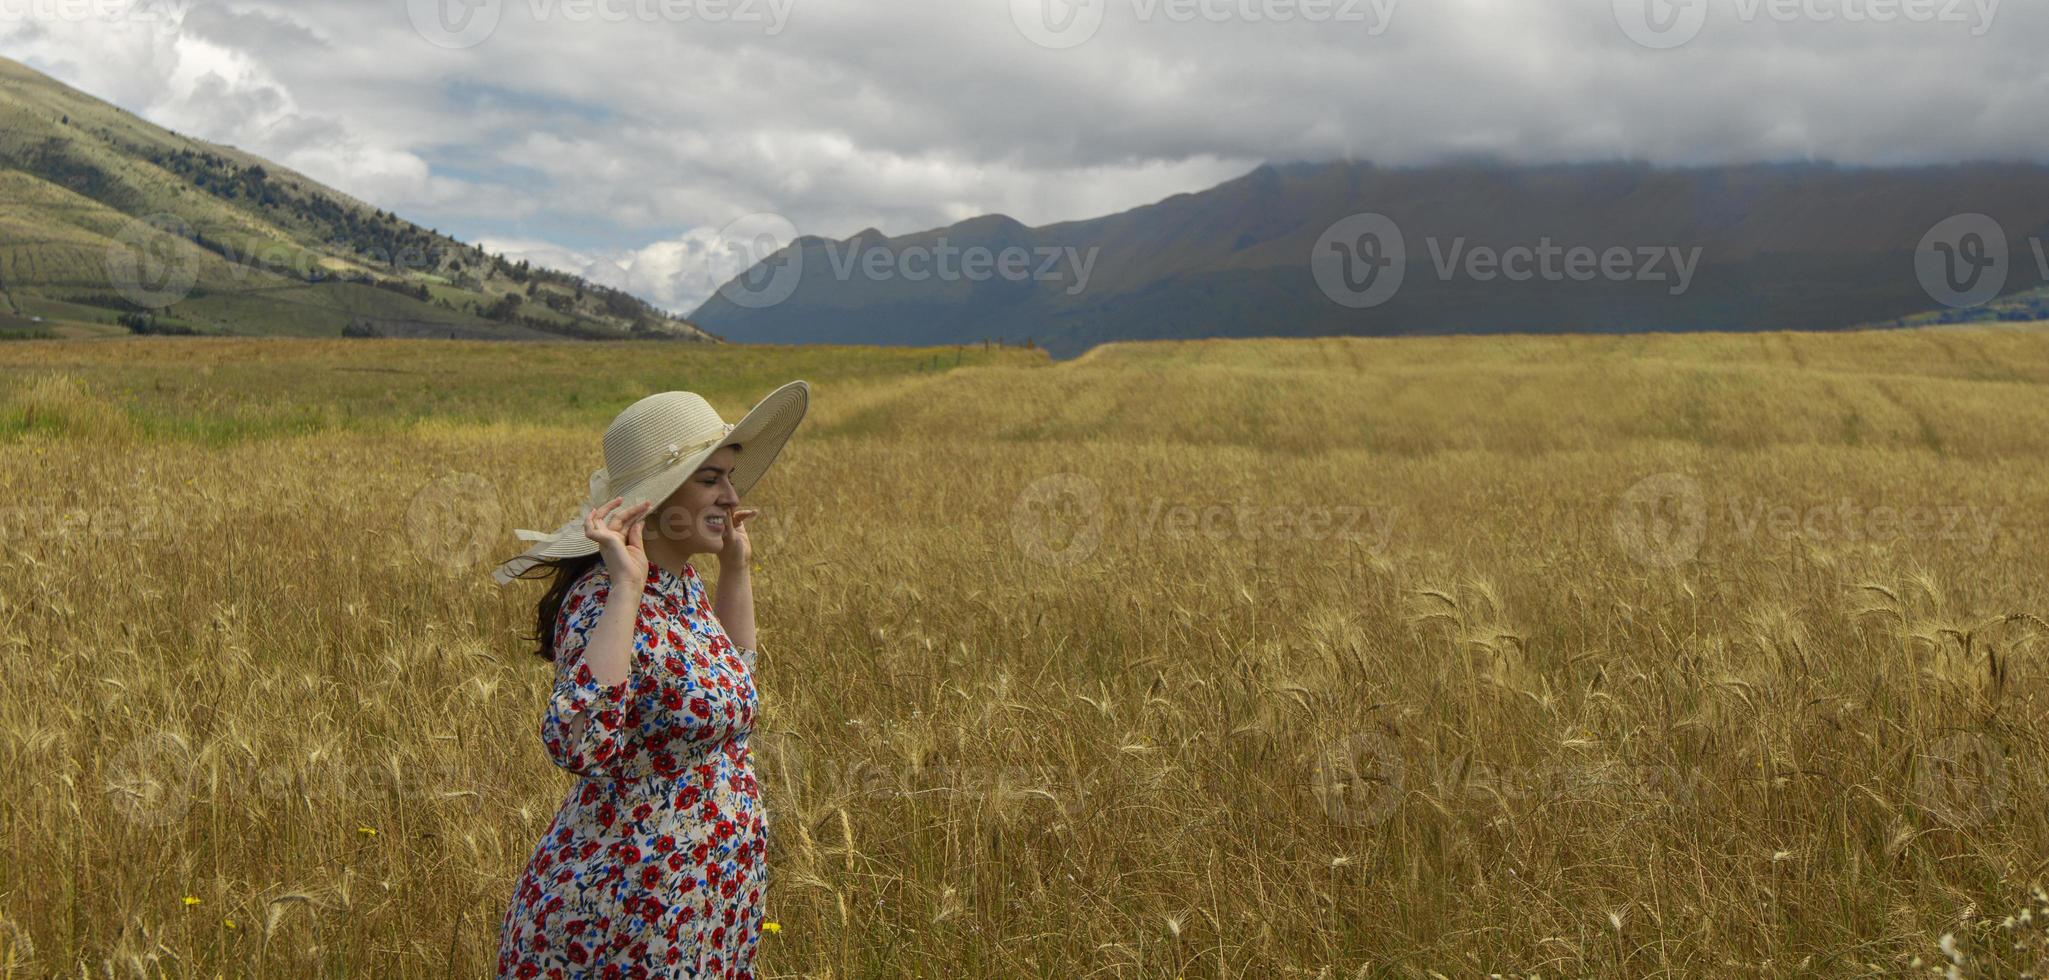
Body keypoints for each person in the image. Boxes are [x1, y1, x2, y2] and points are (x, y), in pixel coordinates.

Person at [490, 382, 809, 979]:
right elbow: (578, 743)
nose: (734, 495)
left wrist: (735, 569)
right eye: (711, 479)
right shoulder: (604, 600)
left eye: (730, 477)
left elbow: (732, 686)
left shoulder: (683, 586)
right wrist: (626, 588)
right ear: (657, 500)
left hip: (702, 902)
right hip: (626, 912)